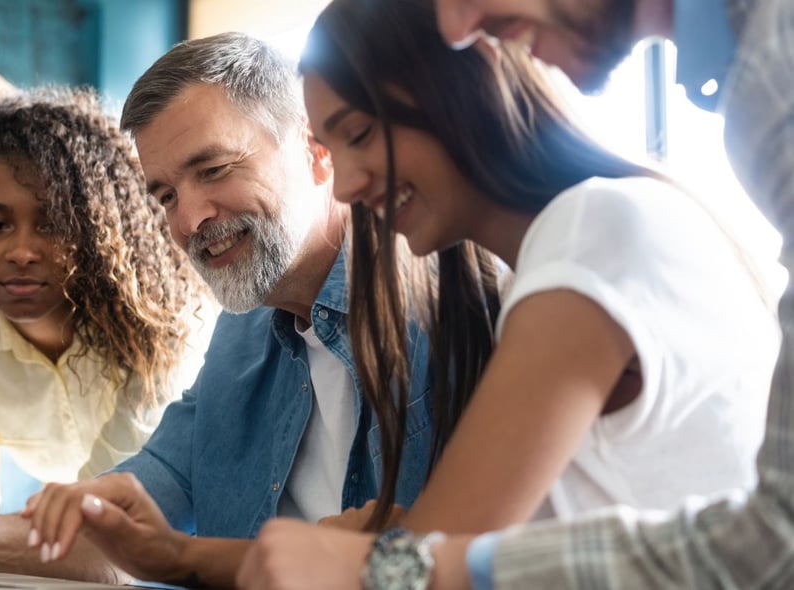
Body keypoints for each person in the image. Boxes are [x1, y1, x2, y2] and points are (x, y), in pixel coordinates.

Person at [0, 33, 438, 585]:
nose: (188, 222)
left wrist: (179, 556)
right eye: (165, 195)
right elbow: (121, 526)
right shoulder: (238, 338)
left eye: (214, 170)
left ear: (315, 151)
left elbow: (456, 558)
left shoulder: (443, 302)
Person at [234, 0, 787, 588]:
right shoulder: (559, 253)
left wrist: (378, 557)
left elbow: (413, 571)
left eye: (361, 133)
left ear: (459, 88)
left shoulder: (590, 233)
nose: (345, 183)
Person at [0, 88, 212, 516]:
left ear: (94, 233)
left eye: (52, 224)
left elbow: (114, 494)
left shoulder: (155, 325)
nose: (22, 251)